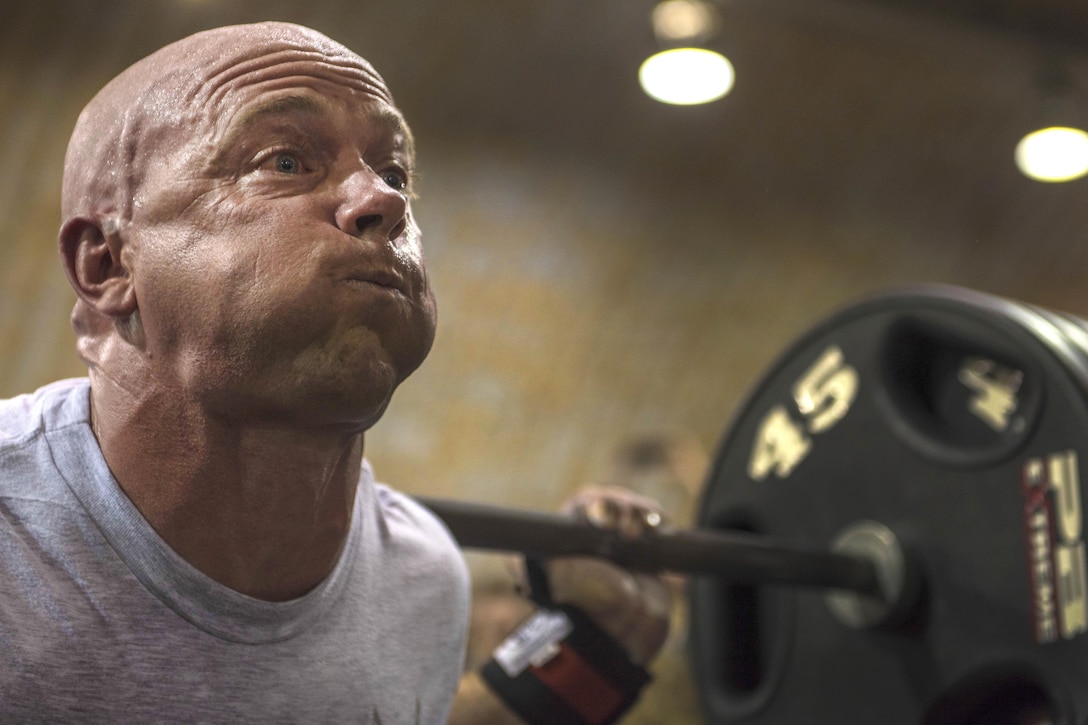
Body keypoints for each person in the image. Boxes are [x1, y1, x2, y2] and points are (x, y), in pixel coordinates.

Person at [0, 20, 669, 723]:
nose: (383, 199)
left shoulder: (423, 577)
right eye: (285, 161)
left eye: (395, 171)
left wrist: (585, 657)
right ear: (107, 264)